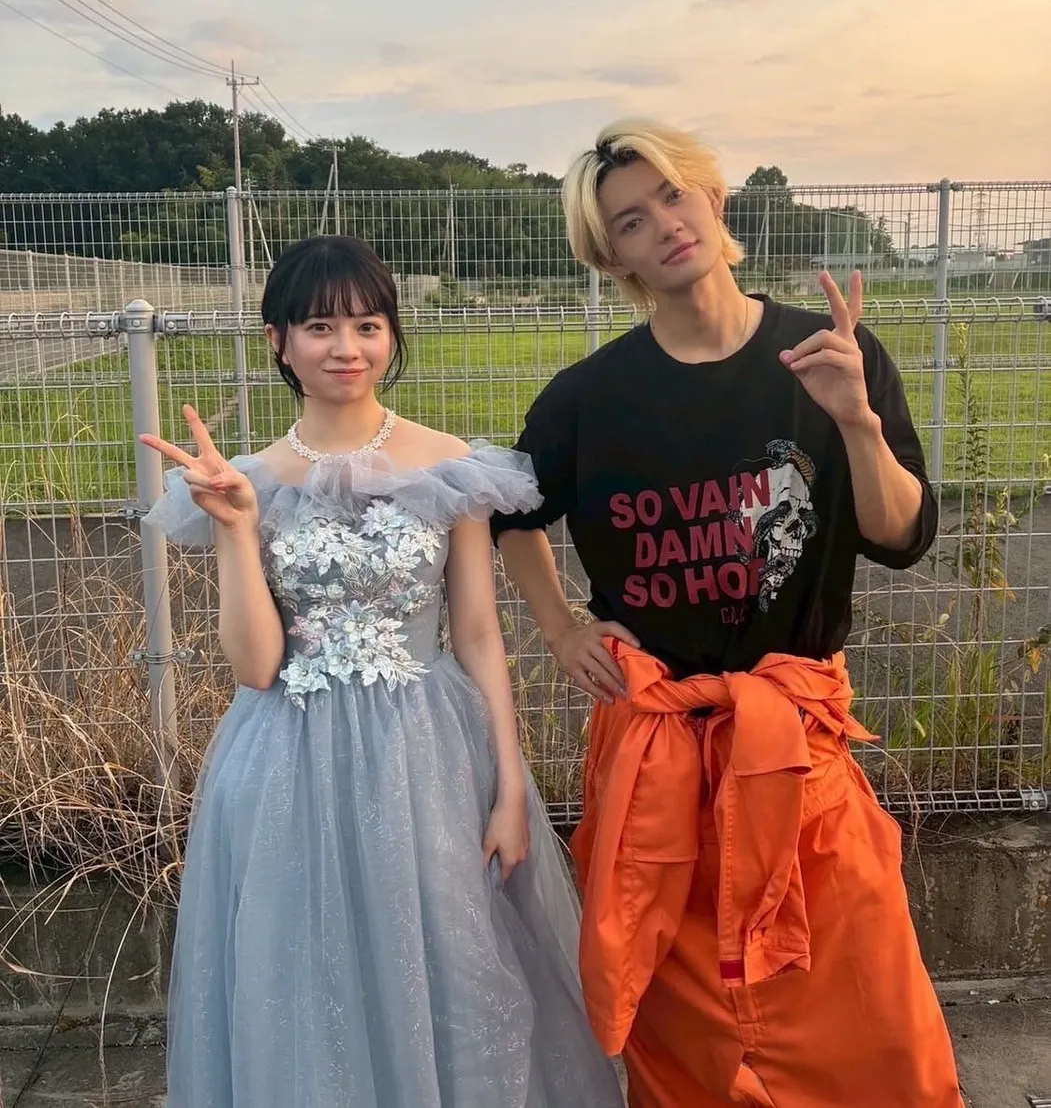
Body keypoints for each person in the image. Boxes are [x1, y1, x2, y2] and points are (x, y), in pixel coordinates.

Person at [490, 118, 964, 1108]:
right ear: (611, 257)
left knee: (866, 1013)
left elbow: (899, 534)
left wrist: (855, 421)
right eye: (630, 220)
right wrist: (562, 628)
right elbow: (511, 516)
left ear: (712, 197)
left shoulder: (827, 354)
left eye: (672, 195)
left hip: (797, 755)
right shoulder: (588, 399)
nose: (663, 224)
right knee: (687, 1033)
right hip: (658, 769)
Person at [140, 234, 624, 1108]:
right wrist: (238, 529)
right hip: (286, 763)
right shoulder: (250, 479)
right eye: (319, 326)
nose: (346, 347)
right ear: (278, 340)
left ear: (391, 333)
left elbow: (477, 633)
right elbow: (255, 665)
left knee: (455, 964)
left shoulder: (449, 464)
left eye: (367, 324)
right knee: (301, 975)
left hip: (427, 754)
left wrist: (510, 785)